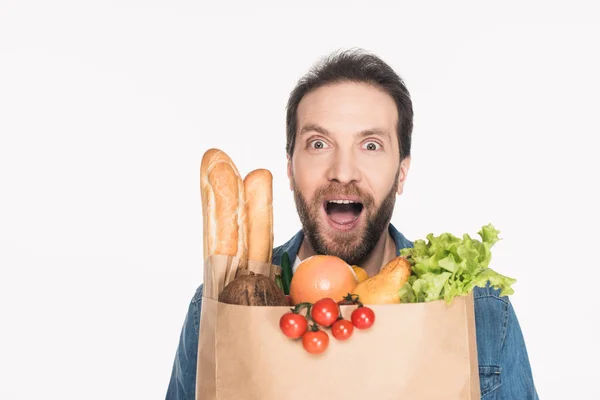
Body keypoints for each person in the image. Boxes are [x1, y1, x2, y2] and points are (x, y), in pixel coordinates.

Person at [166, 48, 539, 399]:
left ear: (402, 173)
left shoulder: (481, 308)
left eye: (371, 145)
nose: (343, 172)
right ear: (290, 169)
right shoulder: (219, 307)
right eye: (318, 144)